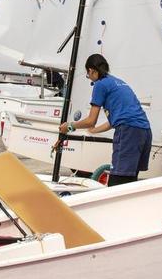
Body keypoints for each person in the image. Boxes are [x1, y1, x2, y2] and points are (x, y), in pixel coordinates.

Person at [58, 54, 151, 186]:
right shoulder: (118, 82)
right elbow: (114, 120)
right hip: (144, 132)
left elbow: (91, 120)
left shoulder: (100, 84)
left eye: (88, 74)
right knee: (130, 181)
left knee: (117, 182)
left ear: (91, 70)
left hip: (128, 132)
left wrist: (70, 126)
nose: (89, 77)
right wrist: (94, 131)